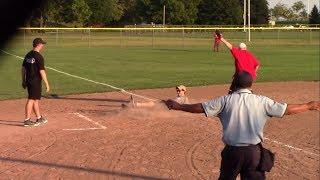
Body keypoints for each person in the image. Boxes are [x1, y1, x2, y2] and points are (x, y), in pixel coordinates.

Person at [163, 71, 319, 180]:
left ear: (234, 83)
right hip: (254, 153)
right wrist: (309, 105)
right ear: (251, 84)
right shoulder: (262, 101)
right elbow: (287, 110)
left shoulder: (224, 100)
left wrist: (178, 106)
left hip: (232, 153)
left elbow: (200, 108)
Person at [22, 38, 50, 126]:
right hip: (35, 81)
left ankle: (39, 118)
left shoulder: (28, 54)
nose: (43, 45)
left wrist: (23, 80)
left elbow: (23, 68)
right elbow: (42, 71)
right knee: (31, 99)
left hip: (29, 80)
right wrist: (47, 83)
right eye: (42, 44)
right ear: (38, 45)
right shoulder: (39, 56)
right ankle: (27, 120)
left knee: (35, 99)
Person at [123, 85, 189, 108]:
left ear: (184, 91)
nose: (177, 91)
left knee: (154, 103)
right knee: (153, 103)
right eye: (177, 90)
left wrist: (166, 102)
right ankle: (134, 105)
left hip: (169, 109)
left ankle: (135, 105)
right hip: (169, 107)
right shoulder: (179, 97)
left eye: (179, 90)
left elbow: (182, 106)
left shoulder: (184, 98)